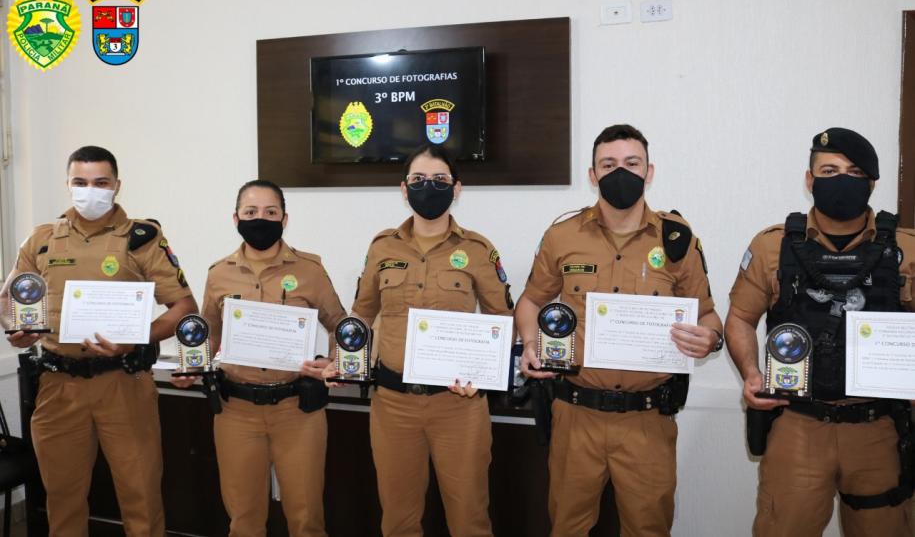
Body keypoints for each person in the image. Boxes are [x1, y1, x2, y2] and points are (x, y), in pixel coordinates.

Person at [517, 124, 722, 537]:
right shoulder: (562, 235)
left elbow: (708, 316)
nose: (620, 173)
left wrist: (710, 339)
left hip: (647, 420)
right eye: (608, 165)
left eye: (632, 163)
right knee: (567, 527)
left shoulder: (677, 239)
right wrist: (530, 343)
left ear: (649, 172)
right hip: (576, 413)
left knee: (648, 529)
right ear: (593, 175)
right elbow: (531, 301)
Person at [725, 127, 914, 537]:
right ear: (809, 180)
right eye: (829, 171)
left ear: (872, 183)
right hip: (798, 425)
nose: (841, 180)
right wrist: (751, 374)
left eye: (854, 172)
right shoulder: (772, 246)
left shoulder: (907, 249)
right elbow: (739, 318)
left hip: (879, 429)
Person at [1, 145, 197, 536]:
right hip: (58, 386)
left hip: (123, 384)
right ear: (68, 184)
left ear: (116, 186)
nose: (90, 191)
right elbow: (8, 300)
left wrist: (136, 340)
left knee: (141, 497)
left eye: (101, 182)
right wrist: (17, 331)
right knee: (62, 500)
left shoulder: (141, 238)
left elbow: (184, 307)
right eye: (81, 182)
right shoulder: (41, 239)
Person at [324, 144, 514, 537]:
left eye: (440, 179)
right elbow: (361, 316)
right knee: (398, 520)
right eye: (419, 179)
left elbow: (502, 320)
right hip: (393, 405)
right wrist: (342, 361)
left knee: (470, 519)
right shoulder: (382, 247)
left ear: (456, 189)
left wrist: (485, 374)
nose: (429, 186)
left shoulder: (478, 250)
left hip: (458, 406)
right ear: (404, 188)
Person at [173, 179, 347, 536]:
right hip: (237, 410)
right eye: (251, 212)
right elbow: (209, 332)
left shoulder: (310, 269)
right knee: (243, 520)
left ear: (284, 219)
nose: (260, 219)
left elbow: (341, 326)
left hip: (297, 411)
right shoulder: (219, 273)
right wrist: (192, 366)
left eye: (270, 212)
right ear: (236, 218)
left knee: (306, 520)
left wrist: (336, 362)